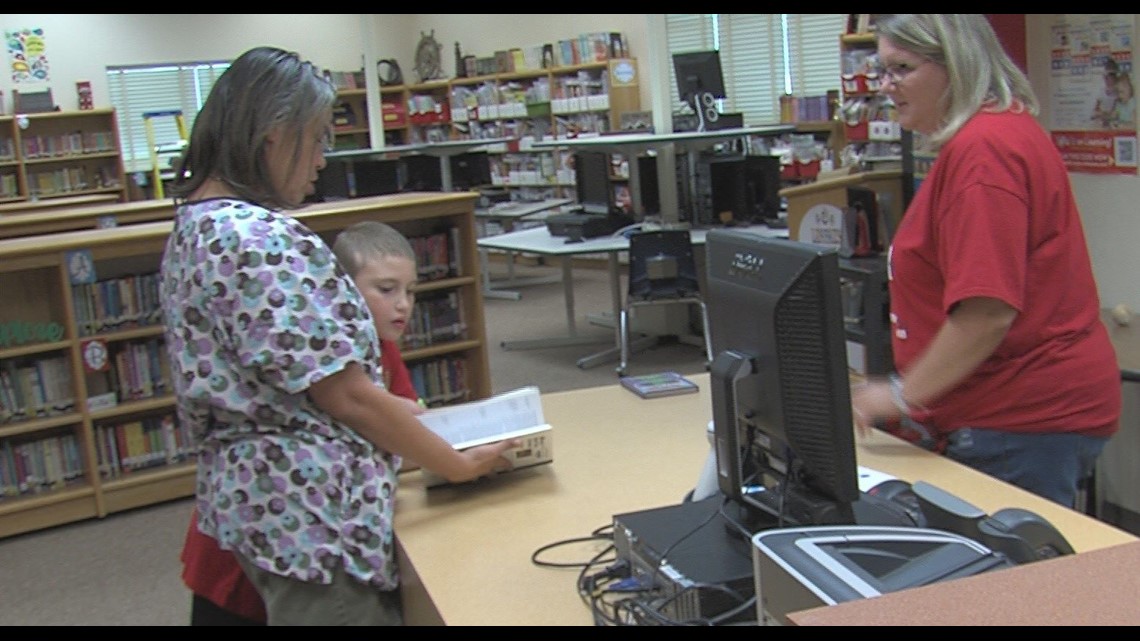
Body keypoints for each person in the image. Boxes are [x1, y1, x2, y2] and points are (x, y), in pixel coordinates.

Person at [160, 46, 518, 626]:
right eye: (320, 138)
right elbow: (344, 394)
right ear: (275, 134)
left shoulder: (197, 225)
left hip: (258, 504)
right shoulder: (255, 238)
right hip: (311, 518)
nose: (324, 159)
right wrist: (456, 463)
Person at [850, 15, 1120, 509]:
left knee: (1004, 579)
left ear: (955, 63)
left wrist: (899, 394)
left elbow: (986, 313)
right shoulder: (988, 138)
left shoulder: (985, 152)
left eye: (901, 69)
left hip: (1020, 414)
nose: (886, 86)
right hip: (1005, 406)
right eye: (882, 70)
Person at [180, 221, 426, 626]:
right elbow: (394, 432)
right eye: (386, 290)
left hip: (304, 537)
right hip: (254, 550)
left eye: (411, 291)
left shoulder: (380, 347)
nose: (403, 305)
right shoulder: (324, 356)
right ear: (339, 291)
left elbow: (402, 425)